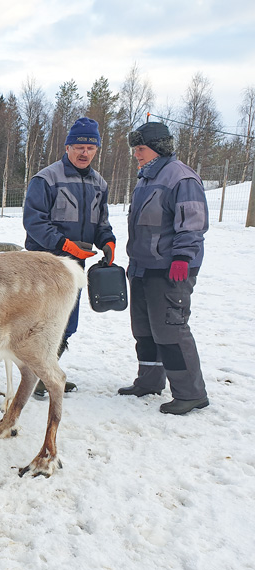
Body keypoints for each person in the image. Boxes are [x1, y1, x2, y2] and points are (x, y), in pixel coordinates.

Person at [119, 121, 209, 415]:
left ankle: (190, 393)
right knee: (144, 330)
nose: (136, 154)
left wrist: (182, 257)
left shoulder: (181, 178)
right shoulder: (146, 178)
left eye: (140, 149)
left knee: (171, 331)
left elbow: (192, 223)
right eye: (135, 149)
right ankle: (149, 381)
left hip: (171, 270)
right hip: (143, 267)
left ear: (158, 149)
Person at [23, 117, 116, 396]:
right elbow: (34, 222)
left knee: (67, 323)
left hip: (75, 266)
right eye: (78, 146)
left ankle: (44, 374)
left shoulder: (99, 183)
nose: (84, 152)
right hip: (45, 263)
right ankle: (34, 378)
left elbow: (102, 223)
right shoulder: (46, 178)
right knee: (41, 323)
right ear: (67, 147)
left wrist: (107, 240)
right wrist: (64, 245)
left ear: (97, 150)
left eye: (90, 147)